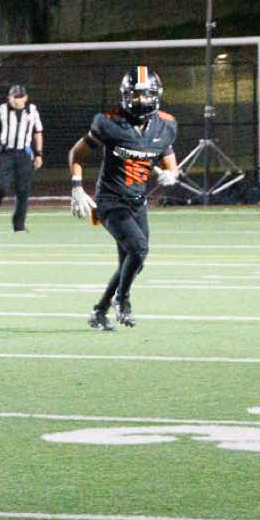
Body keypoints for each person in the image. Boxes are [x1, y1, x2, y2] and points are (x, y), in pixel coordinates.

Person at [68, 65, 180, 331]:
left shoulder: (165, 124)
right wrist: (76, 187)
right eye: (136, 95)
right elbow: (78, 153)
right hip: (111, 201)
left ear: (157, 95)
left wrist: (172, 174)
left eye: (146, 94)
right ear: (125, 96)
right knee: (138, 249)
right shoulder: (109, 123)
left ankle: (99, 311)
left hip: (138, 201)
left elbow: (167, 157)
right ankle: (122, 299)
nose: (141, 100)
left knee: (132, 263)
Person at [0, 83, 43, 233]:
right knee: (1, 187)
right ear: (9, 98)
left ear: (25, 98)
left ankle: (19, 226)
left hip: (25, 153)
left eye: (20, 97)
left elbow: (38, 133)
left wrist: (38, 154)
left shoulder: (32, 110)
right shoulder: (2, 110)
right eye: (14, 97)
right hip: (6, 154)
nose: (17, 100)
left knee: (23, 191)